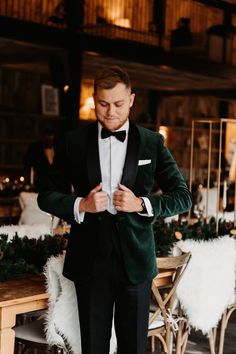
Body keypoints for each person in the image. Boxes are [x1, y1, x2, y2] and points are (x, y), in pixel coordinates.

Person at [38, 66, 192, 354]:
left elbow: (183, 197)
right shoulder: (73, 142)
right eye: (103, 104)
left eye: (118, 104)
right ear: (94, 99)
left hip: (135, 263)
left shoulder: (152, 143)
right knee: (93, 347)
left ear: (131, 100)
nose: (110, 112)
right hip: (89, 261)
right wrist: (79, 204)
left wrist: (142, 204)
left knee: (133, 347)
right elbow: (45, 196)